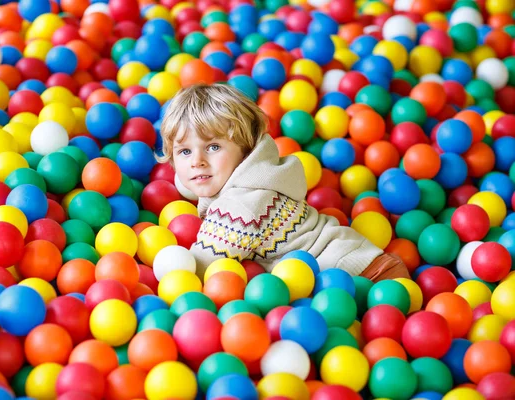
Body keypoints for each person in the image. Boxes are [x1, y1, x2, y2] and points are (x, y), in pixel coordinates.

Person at [158, 83, 409, 282]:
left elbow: (202, 268)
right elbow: (199, 173)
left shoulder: (238, 208)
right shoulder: (263, 173)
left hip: (365, 278)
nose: (197, 162)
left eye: (213, 147)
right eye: (184, 152)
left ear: (245, 151)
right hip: (365, 258)